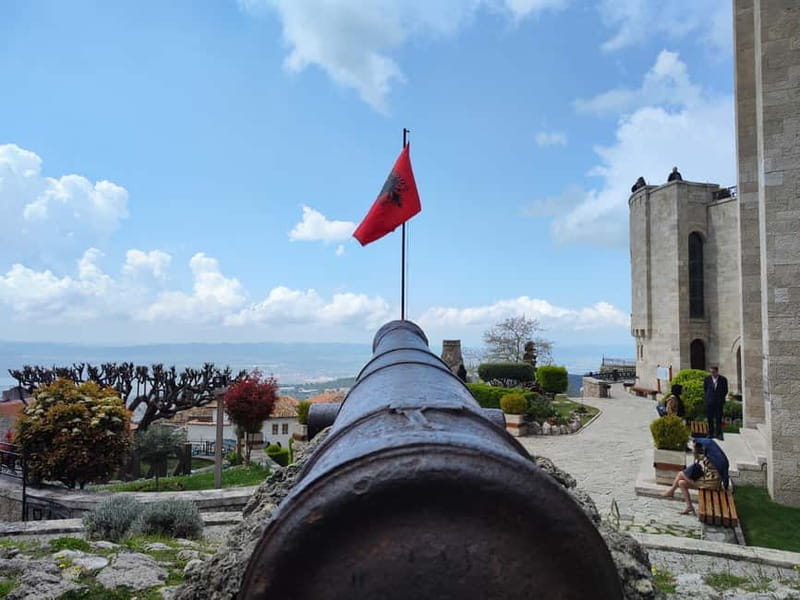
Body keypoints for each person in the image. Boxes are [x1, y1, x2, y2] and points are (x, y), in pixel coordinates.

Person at [661, 439, 729, 514]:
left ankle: (671, 491)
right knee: (681, 483)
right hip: (710, 480)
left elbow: (702, 458)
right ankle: (689, 506)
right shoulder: (714, 455)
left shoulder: (712, 458)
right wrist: (695, 450)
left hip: (710, 483)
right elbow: (699, 458)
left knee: (681, 474)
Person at [704, 366, 728, 440]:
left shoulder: (723, 379)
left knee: (718, 418)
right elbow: (705, 389)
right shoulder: (707, 379)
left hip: (719, 402)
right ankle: (710, 433)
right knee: (709, 418)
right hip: (710, 402)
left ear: (717, 372)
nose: (712, 373)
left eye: (713, 372)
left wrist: (720, 397)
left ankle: (719, 434)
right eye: (711, 372)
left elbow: (725, 390)